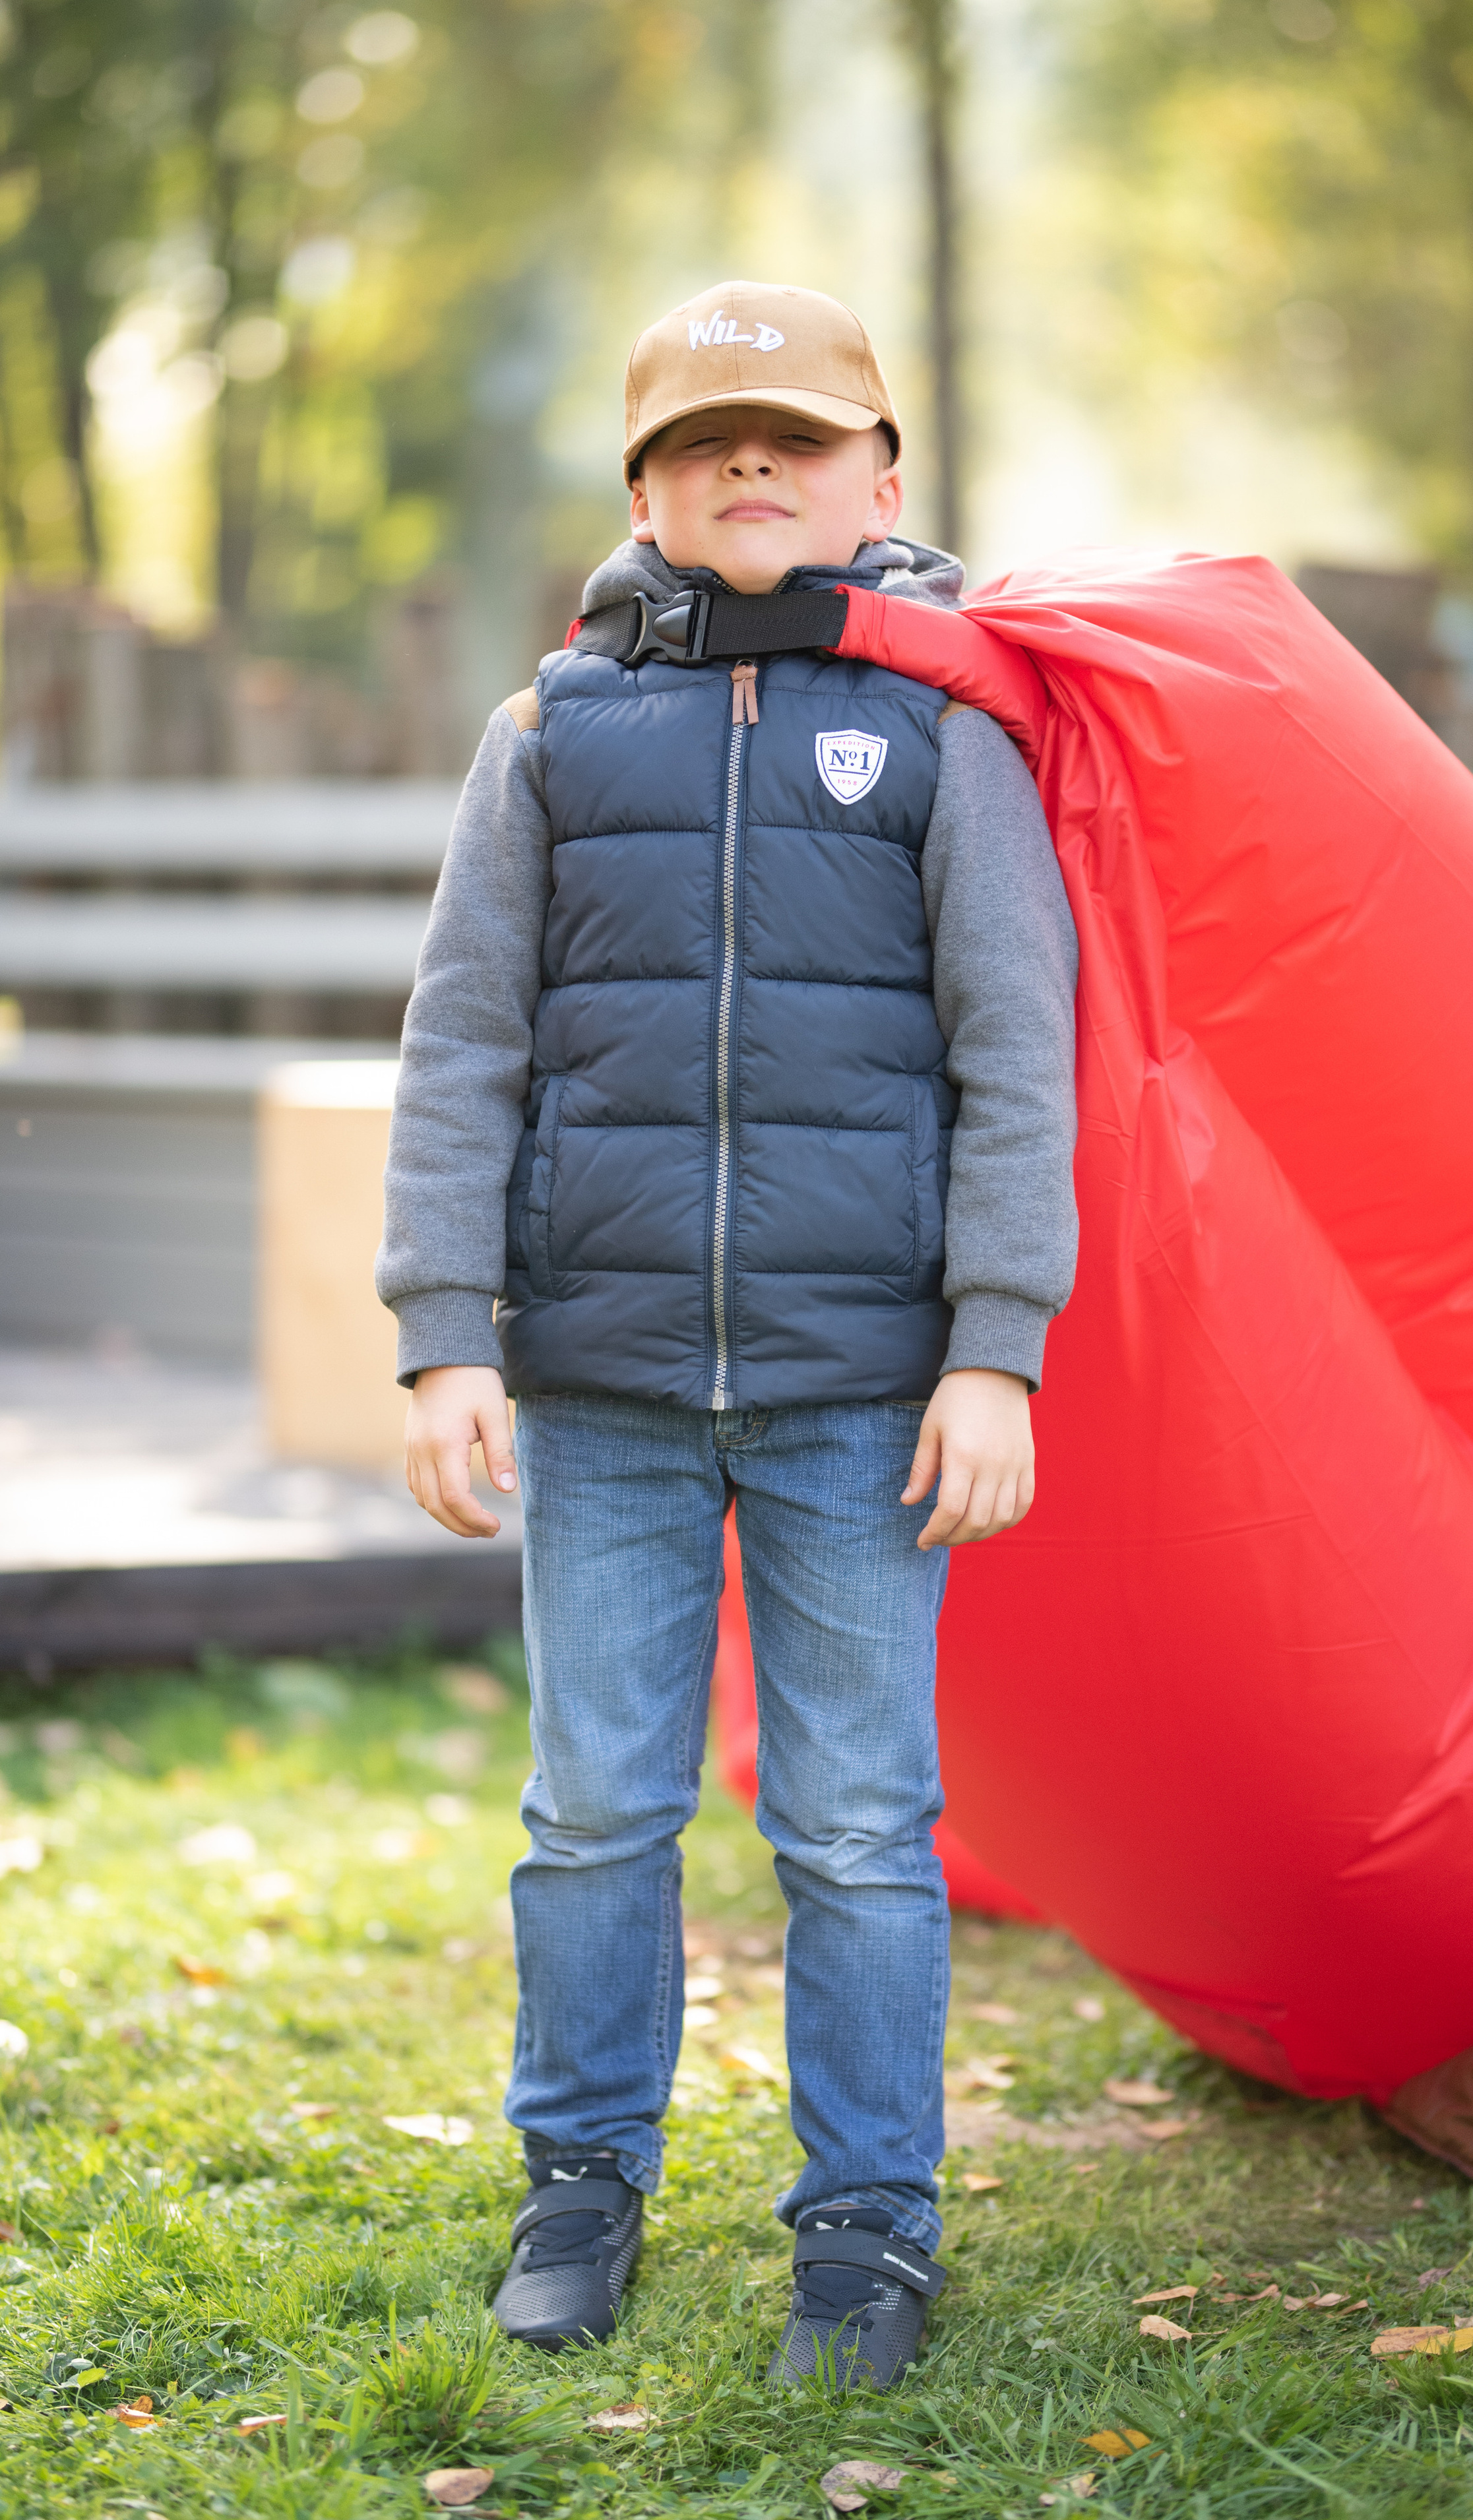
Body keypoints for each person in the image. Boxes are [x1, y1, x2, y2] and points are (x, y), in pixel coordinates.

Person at [377, 278, 1078, 2389]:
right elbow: (464, 1039)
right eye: (699, 444)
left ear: (881, 476)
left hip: (864, 1394)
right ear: (645, 492)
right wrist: (444, 1327)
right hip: (595, 1393)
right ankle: (578, 2178)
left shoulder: (950, 733)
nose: (745, 467)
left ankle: (868, 2224)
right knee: (596, 1808)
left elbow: (1016, 1049)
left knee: (859, 1824)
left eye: (790, 435)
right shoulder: (552, 731)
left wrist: (995, 1344)